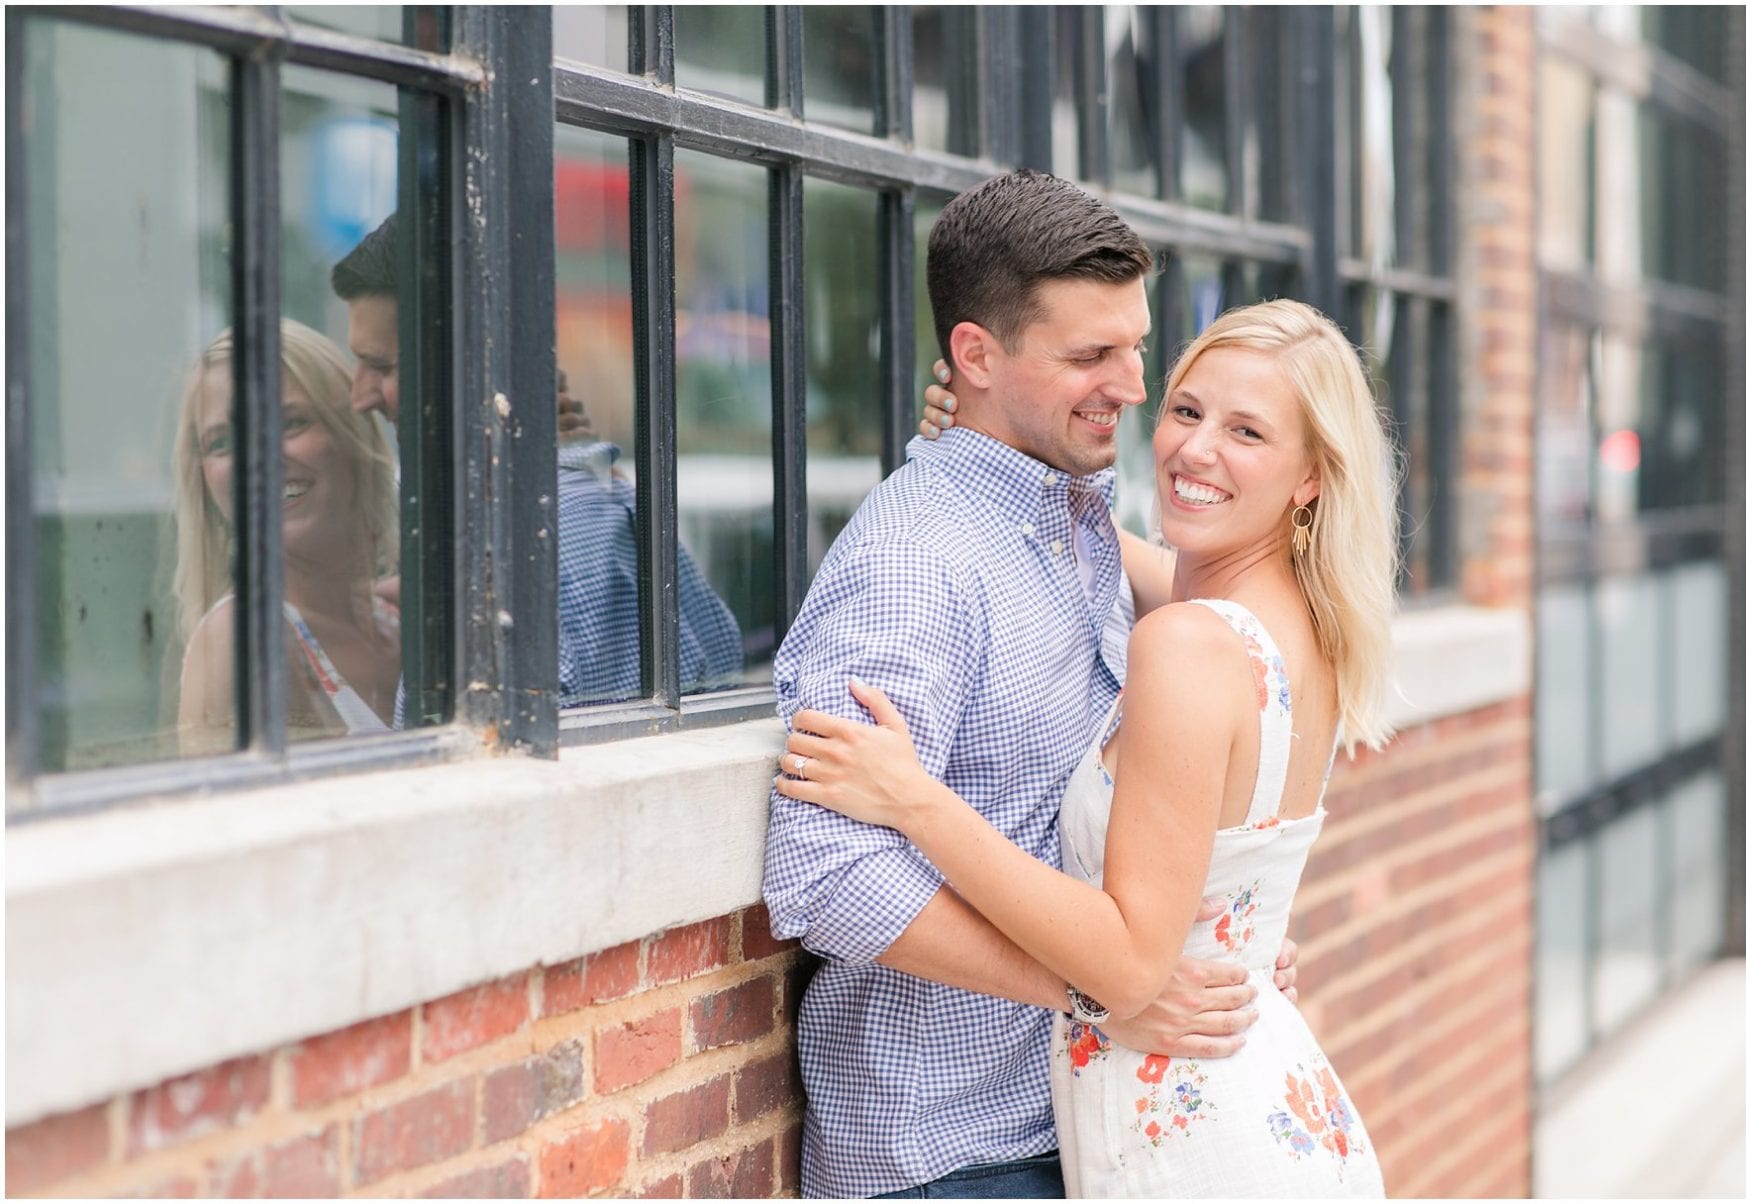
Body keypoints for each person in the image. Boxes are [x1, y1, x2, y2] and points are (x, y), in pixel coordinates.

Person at [779, 299, 1397, 1196]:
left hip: (1185, 1137)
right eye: (1187, 411)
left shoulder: (1188, 646)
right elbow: (1082, 540)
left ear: (1311, 476)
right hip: (1266, 1102)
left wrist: (915, 799)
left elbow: (1131, 964)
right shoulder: (1304, 627)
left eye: (1248, 433)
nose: (1195, 450)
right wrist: (990, 442)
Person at [330, 216, 742, 707]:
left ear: (472, 361)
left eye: (381, 366)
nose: (360, 397)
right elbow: (719, 653)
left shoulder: (510, 551)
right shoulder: (604, 504)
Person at [172, 319, 400, 752]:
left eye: (289, 423)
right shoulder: (242, 638)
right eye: (223, 443)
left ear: (351, 433)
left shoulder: (405, 619)